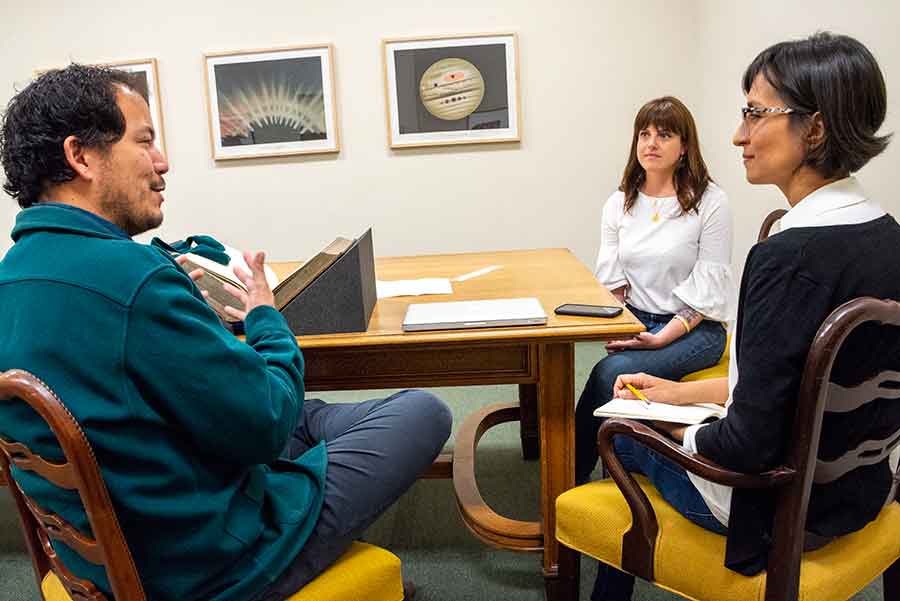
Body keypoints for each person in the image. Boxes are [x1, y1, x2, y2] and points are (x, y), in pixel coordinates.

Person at [0, 64, 452, 601]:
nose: (162, 163)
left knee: (301, 418)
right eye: (144, 142)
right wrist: (265, 316)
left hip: (104, 558)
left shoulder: (11, 277)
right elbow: (262, 424)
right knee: (421, 412)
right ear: (82, 157)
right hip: (211, 568)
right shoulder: (134, 278)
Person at [589, 32, 900, 601]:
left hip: (769, 506)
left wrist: (675, 428)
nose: (738, 134)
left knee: (615, 431)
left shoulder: (785, 258)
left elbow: (745, 448)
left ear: (815, 129)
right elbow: (796, 390)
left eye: (755, 114)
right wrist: (676, 393)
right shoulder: (886, 237)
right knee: (639, 404)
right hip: (863, 490)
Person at [575, 96, 735, 485]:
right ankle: (593, 463)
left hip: (696, 330)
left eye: (664, 134)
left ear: (684, 147)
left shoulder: (711, 202)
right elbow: (613, 283)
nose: (651, 143)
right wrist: (621, 328)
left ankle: (570, 472)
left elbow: (707, 291)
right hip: (639, 322)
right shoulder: (619, 203)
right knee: (611, 368)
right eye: (644, 134)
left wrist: (661, 338)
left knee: (606, 374)